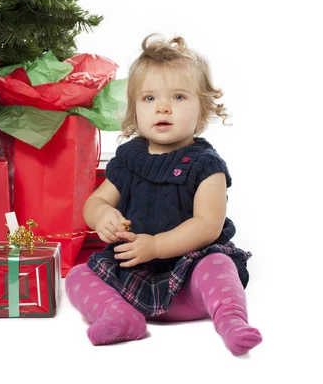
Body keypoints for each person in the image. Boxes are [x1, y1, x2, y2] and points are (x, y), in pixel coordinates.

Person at [65, 34, 262, 355]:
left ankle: (230, 319)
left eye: (180, 97)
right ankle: (119, 316)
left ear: (203, 110)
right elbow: (96, 201)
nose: (164, 107)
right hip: (131, 274)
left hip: (189, 280)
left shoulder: (205, 165)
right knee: (77, 277)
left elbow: (207, 225)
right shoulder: (129, 159)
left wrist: (156, 245)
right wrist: (102, 215)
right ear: (134, 109)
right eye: (149, 98)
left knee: (218, 265)